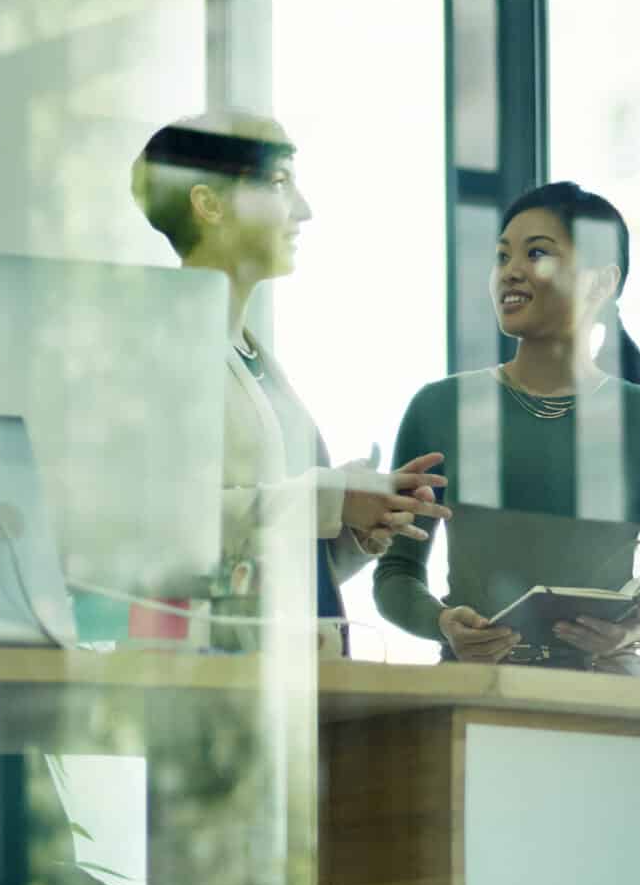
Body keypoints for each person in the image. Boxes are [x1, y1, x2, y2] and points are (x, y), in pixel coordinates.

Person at [131, 113, 448, 652]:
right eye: (280, 183)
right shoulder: (159, 346)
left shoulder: (254, 357)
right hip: (201, 674)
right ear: (207, 204)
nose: (303, 209)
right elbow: (161, 523)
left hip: (287, 671)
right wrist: (329, 498)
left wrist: (357, 522)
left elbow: (274, 559)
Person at [375, 183, 640, 672]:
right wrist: (443, 623)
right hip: (473, 691)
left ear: (601, 282)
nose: (511, 271)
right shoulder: (439, 408)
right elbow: (397, 572)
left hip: (604, 697)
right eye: (502, 255)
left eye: (537, 254)